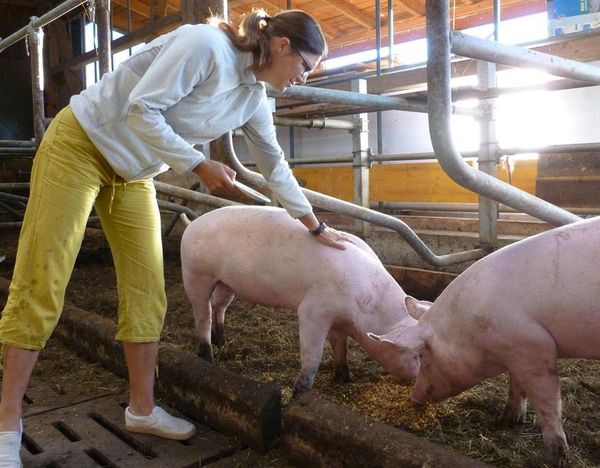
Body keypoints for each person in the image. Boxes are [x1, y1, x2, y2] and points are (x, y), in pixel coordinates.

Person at [0, 9, 350, 466]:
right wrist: (199, 164)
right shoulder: (204, 45)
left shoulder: (253, 99)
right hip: (82, 143)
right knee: (45, 277)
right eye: (304, 66)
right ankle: (8, 424)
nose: (301, 79)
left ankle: (141, 409)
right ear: (282, 47)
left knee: (148, 287)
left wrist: (316, 226)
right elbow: (141, 107)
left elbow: (275, 166)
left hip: (133, 171)